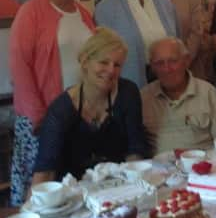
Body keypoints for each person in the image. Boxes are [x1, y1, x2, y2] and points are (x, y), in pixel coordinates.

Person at [8, 0, 95, 206]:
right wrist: (39, 116)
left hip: (80, 112)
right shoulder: (31, 12)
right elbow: (20, 67)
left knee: (72, 183)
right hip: (44, 115)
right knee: (42, 189)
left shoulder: (83, 13)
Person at [31, 28, 150, 182]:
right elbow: (45, 172)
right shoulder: (61, 110)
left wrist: (136, 186)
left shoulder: (128, 93)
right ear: (85, 62)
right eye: (103, 62)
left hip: (120, 185)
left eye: (117, 65)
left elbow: (136, 152)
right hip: (75, 192)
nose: (110, 70)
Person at [95, 0, 179, 88]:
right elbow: (104, 57)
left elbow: (177, 41)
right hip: (131, 84)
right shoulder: (106, 9)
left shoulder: (165, 2)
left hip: (168, 79)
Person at [141, 37, 216, 154]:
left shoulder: (208, 93)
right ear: (152, 67)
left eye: (173, 61)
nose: (167, 69)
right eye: (159, 63)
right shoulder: (143, 97)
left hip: (203, 167)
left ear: (186, 61)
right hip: (157, 169)